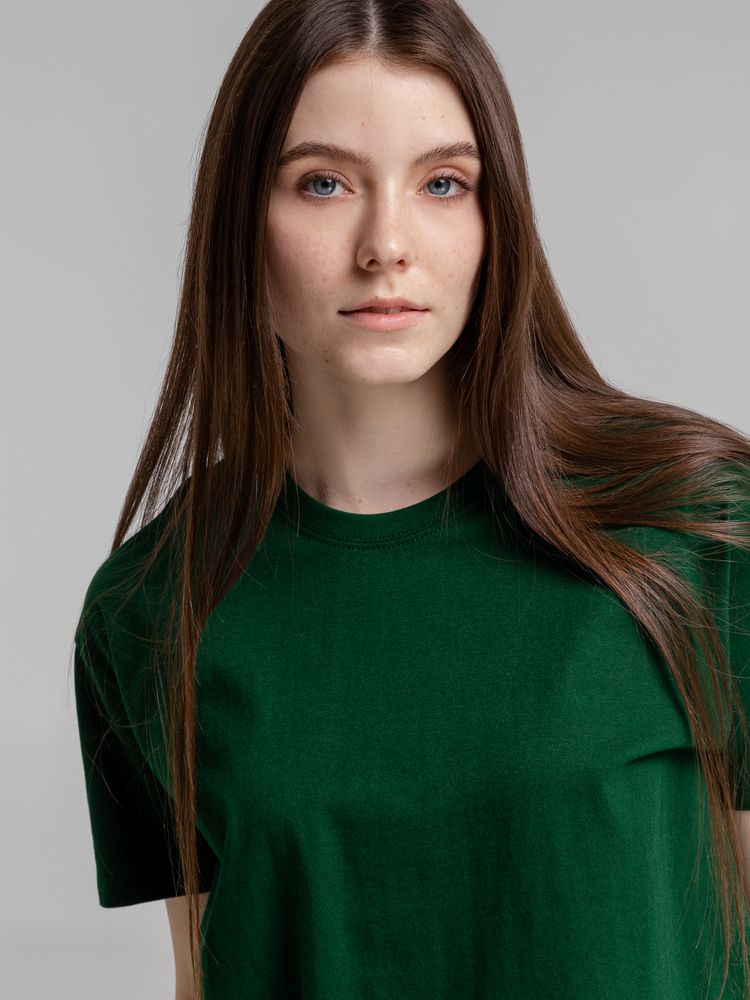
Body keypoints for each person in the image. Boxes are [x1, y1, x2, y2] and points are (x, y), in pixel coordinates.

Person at [70, 1, 750, 998]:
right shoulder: (149, 609)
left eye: (442, 183)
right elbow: (200, 976)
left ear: (494, 218)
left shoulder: (693, 526)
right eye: (324, 182)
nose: (386, 243)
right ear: (239, 219)